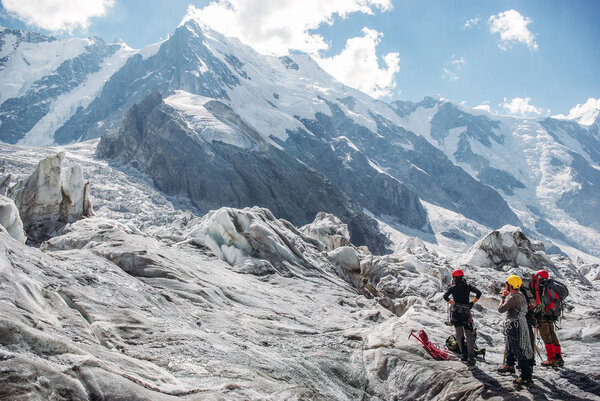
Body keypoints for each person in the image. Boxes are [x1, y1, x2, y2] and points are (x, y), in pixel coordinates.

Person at [497, 275, 534, 387]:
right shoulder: (521, 295)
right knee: (512, 346)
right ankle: (509, 364)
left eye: (507, 284)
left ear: (511, 285)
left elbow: (501, 309)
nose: (505, 286)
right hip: (519, 324)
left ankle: (526, 377)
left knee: (517, 349)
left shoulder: (513, 298)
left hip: (514, 326)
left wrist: (503, 297)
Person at [443, 269, 481, 366]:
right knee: (469, 334)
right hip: (466, 313)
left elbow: (445, 296)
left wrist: (453, 303)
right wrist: (472, 303)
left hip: (456, 313)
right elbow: (478, 293)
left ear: (455, 278)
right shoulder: (468, 286)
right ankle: (471, 355)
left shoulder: (453, 287)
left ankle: (463, 355)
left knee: (459, 334)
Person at [527, 269, 565, 367]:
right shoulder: (550, 286)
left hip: (542, 315)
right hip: (551, 315)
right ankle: (558, 358)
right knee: (552, 335)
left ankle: (551, 358)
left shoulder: (540, 287)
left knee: (546, 337)